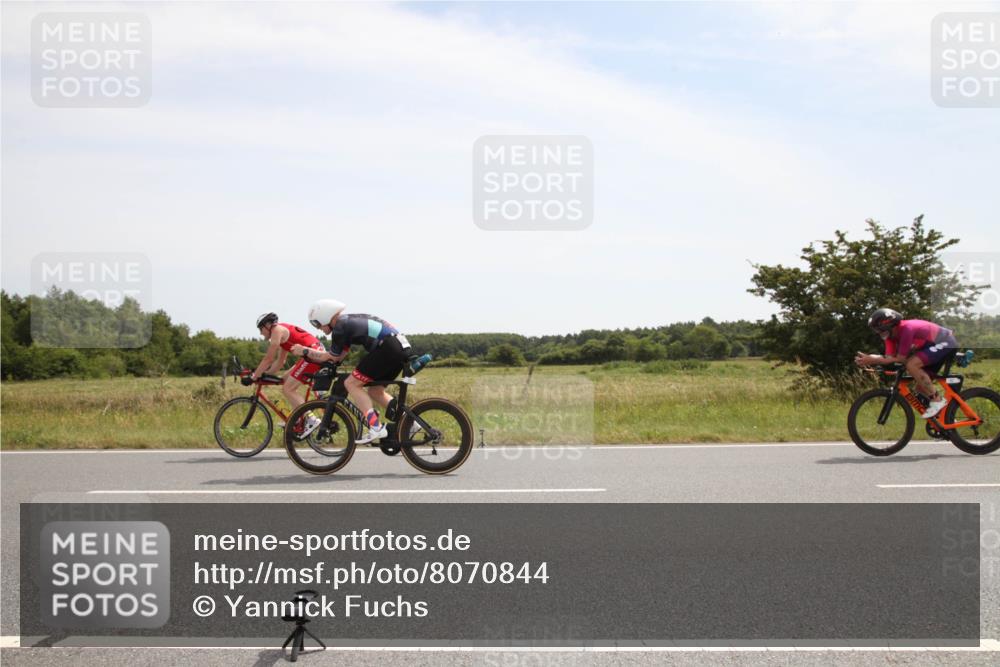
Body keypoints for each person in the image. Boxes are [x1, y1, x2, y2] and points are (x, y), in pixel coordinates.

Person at [290, 299, 411, 444]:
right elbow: (338, 358)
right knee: (375, 391)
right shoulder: (346, 322)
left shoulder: (341, 326)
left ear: (325, 316)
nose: (317, 328)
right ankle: (410, 424)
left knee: (352, 384)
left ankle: (376, 427)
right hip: (399, 347)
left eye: (316, 323)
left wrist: (304, 350)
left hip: (388, 348)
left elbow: (330, 356)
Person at [854, 308, 959, 419]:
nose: (879, 333)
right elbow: (889, 358)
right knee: (921, 390)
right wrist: (871, 359)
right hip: (930, 347)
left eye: (881, 330)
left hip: (946, 342)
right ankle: (946, 421)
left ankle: (937, 399)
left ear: (891, 326)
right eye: (877, 331)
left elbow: (900, 358)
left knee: (912, 364)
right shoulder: (890, 337)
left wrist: (874, 359)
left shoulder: (906, 329)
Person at [245, 312, 322, 434]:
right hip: (311, 354)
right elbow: (280, 362)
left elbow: (268, 358)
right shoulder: (281, 333)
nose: (260, 333)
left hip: (313, 355)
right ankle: (298, 418)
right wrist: (264, 375)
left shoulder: (277, 330)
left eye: (261, 329)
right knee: (284, 379)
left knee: (288, 389)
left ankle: (311, 419)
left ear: (268, 325)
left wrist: (254, 376)